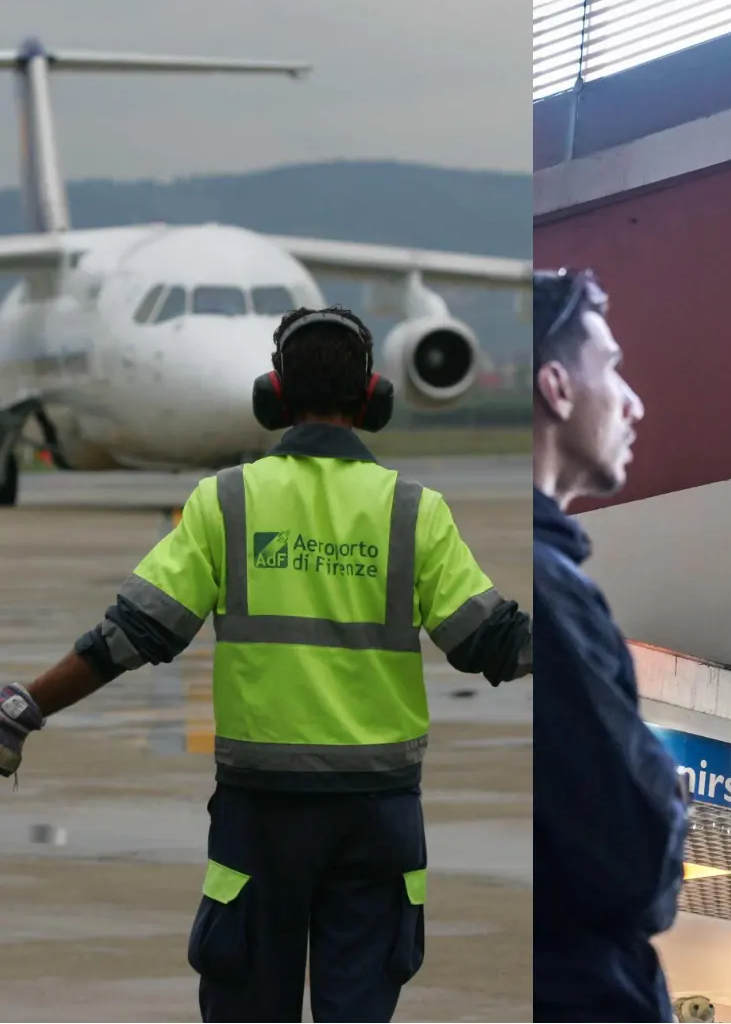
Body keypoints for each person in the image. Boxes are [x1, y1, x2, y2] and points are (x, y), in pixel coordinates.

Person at [0, 307, 531, 1023]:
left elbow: (130, 636)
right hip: (378, 815)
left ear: (273, 393)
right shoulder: (415, 511)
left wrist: (26, 708)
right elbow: (489, 644)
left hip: (261, 815)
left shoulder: (226, 502)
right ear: (371, 395)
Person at [530, 268, 688, 1022]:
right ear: (555, 389)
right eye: (613, 367)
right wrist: (664, 787)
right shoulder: (540, 591)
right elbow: (634, 858)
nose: (634, 403)